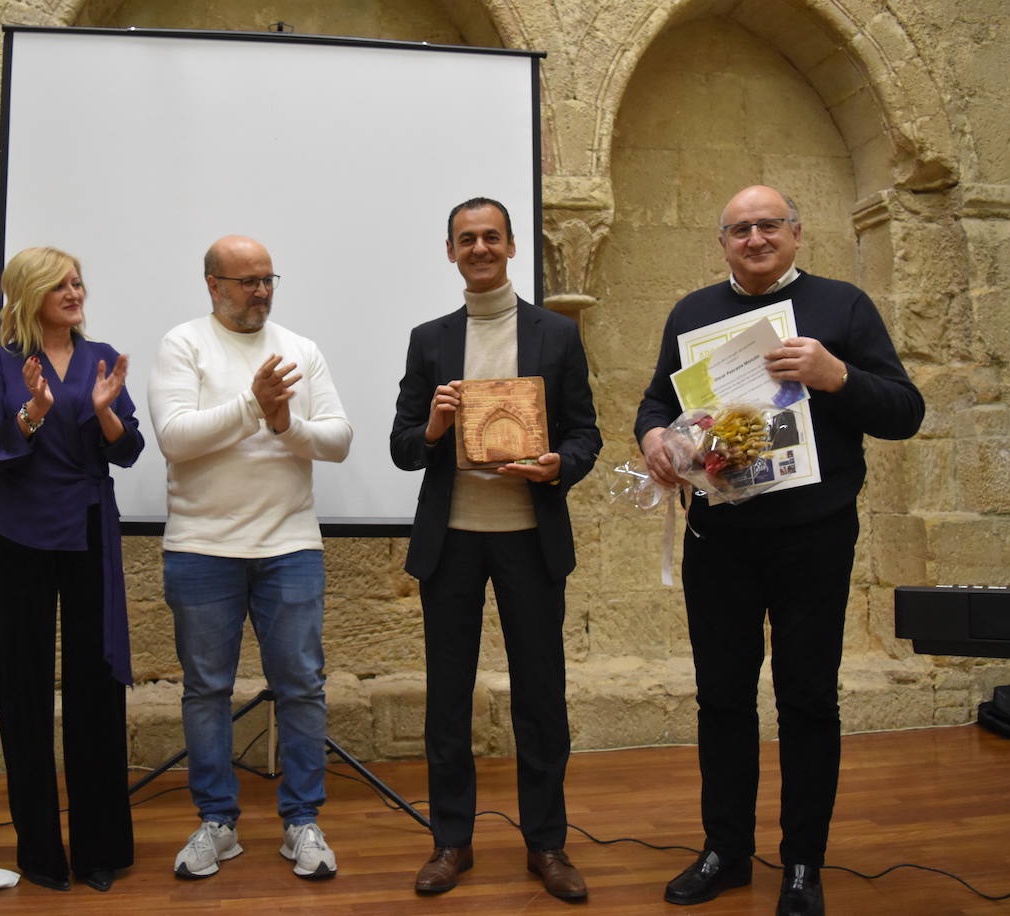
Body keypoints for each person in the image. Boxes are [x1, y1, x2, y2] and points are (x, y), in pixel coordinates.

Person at [635, 186, 924, 916]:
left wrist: (838, 377)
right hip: (719, 540)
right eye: (740, 229)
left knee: (806, 702)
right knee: (723, 701)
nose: (755, 238)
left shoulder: (843, 307)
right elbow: (652, 404)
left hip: (814, 540)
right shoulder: (691, 315)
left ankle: (802, 864)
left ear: (797, 234)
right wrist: (654, 441)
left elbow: (905, 411)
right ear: (723, 242)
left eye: (769, 225)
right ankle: (726, 851)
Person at [390, 197, 601, 900]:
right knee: (447, 700)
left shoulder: (556, 337)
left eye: (491, 237)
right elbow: (400, 448)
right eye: (465, 239)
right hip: (451, 543)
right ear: (450, 252)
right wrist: (432, 425)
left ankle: (547, 844)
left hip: (528, 542)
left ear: (512, 247)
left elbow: (585, 437)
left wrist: (557, 466)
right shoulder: (429, 340)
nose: (479, 248)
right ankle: (452, 841)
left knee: (541, 699)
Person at [147, 235, 352, 881]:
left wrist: (286, 424)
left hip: (289, 545)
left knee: (301, 687)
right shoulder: (184, 344)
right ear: (214, 285)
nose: (261, 291)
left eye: (268, 279)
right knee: (206, 691)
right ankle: (217, 823)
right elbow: (176, 439)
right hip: (202, 548)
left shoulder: (301, 350)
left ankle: (302, 824)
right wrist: (252, 407)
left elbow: (339, 440)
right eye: (246, 281)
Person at [0, 246, 143, 893]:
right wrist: (32, 413)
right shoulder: (1, 364)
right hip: (21, 536)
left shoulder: (102, 359)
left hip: (88, 531)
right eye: (61, 285)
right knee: (25, 693)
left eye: (78, 283)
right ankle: (40, 852)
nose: (75, 292)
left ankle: (100, 851)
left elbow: (127, 449)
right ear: (31, 295)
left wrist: (103, 410)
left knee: (96, 692)